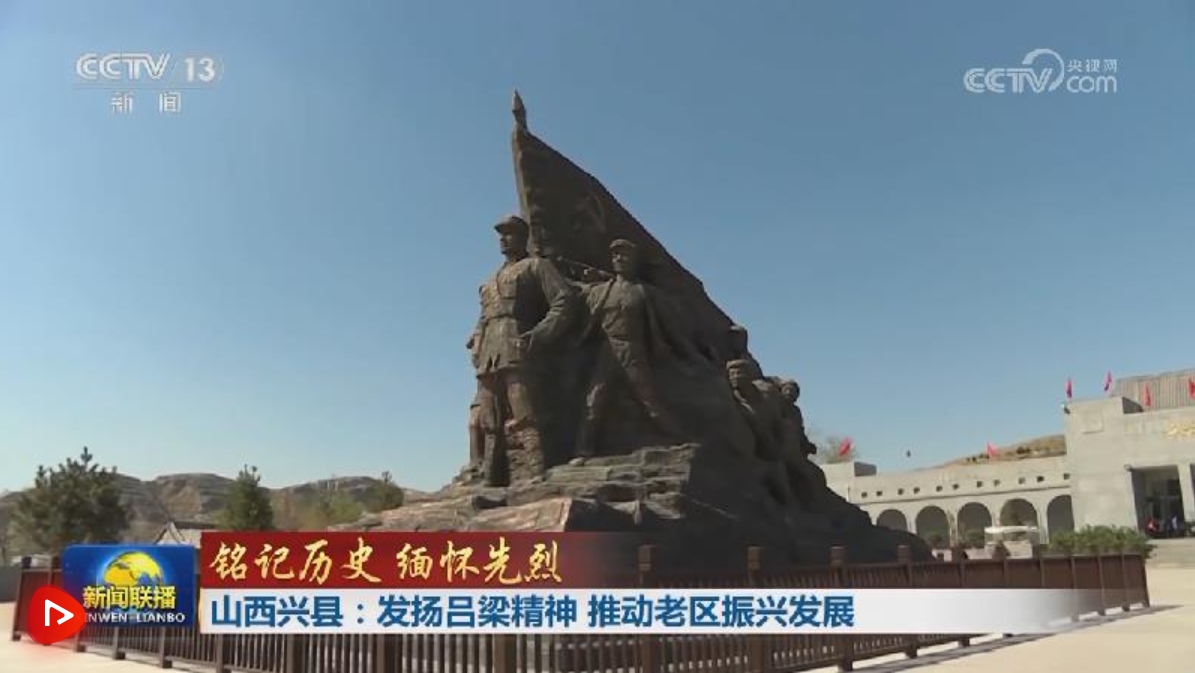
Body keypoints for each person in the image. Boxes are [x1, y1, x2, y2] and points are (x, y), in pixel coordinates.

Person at [469, 214, 578, 484]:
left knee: (524, 411)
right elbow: (483, 318)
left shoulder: (536, 266)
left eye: (509, 234)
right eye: (500, 235)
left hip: (518, 345)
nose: (503, 239)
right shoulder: (489, 281)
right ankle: (491, 478)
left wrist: (540, 334)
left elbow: (565, 300)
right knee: (489, 418)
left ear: (523, 237)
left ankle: (537, 471)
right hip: (489, 353)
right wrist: (477, 341)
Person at [576, 239, 685, 456]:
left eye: (625, 255)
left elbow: (670, 318)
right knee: (594, 400)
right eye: (615, 255)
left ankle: (677, 437)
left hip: (633, 350)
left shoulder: (645, 292)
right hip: (607, 351)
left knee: (648, 399)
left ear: (634, 261)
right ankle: (583, 451)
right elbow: (576, 291)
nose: (619, 258)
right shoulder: (601, 290)